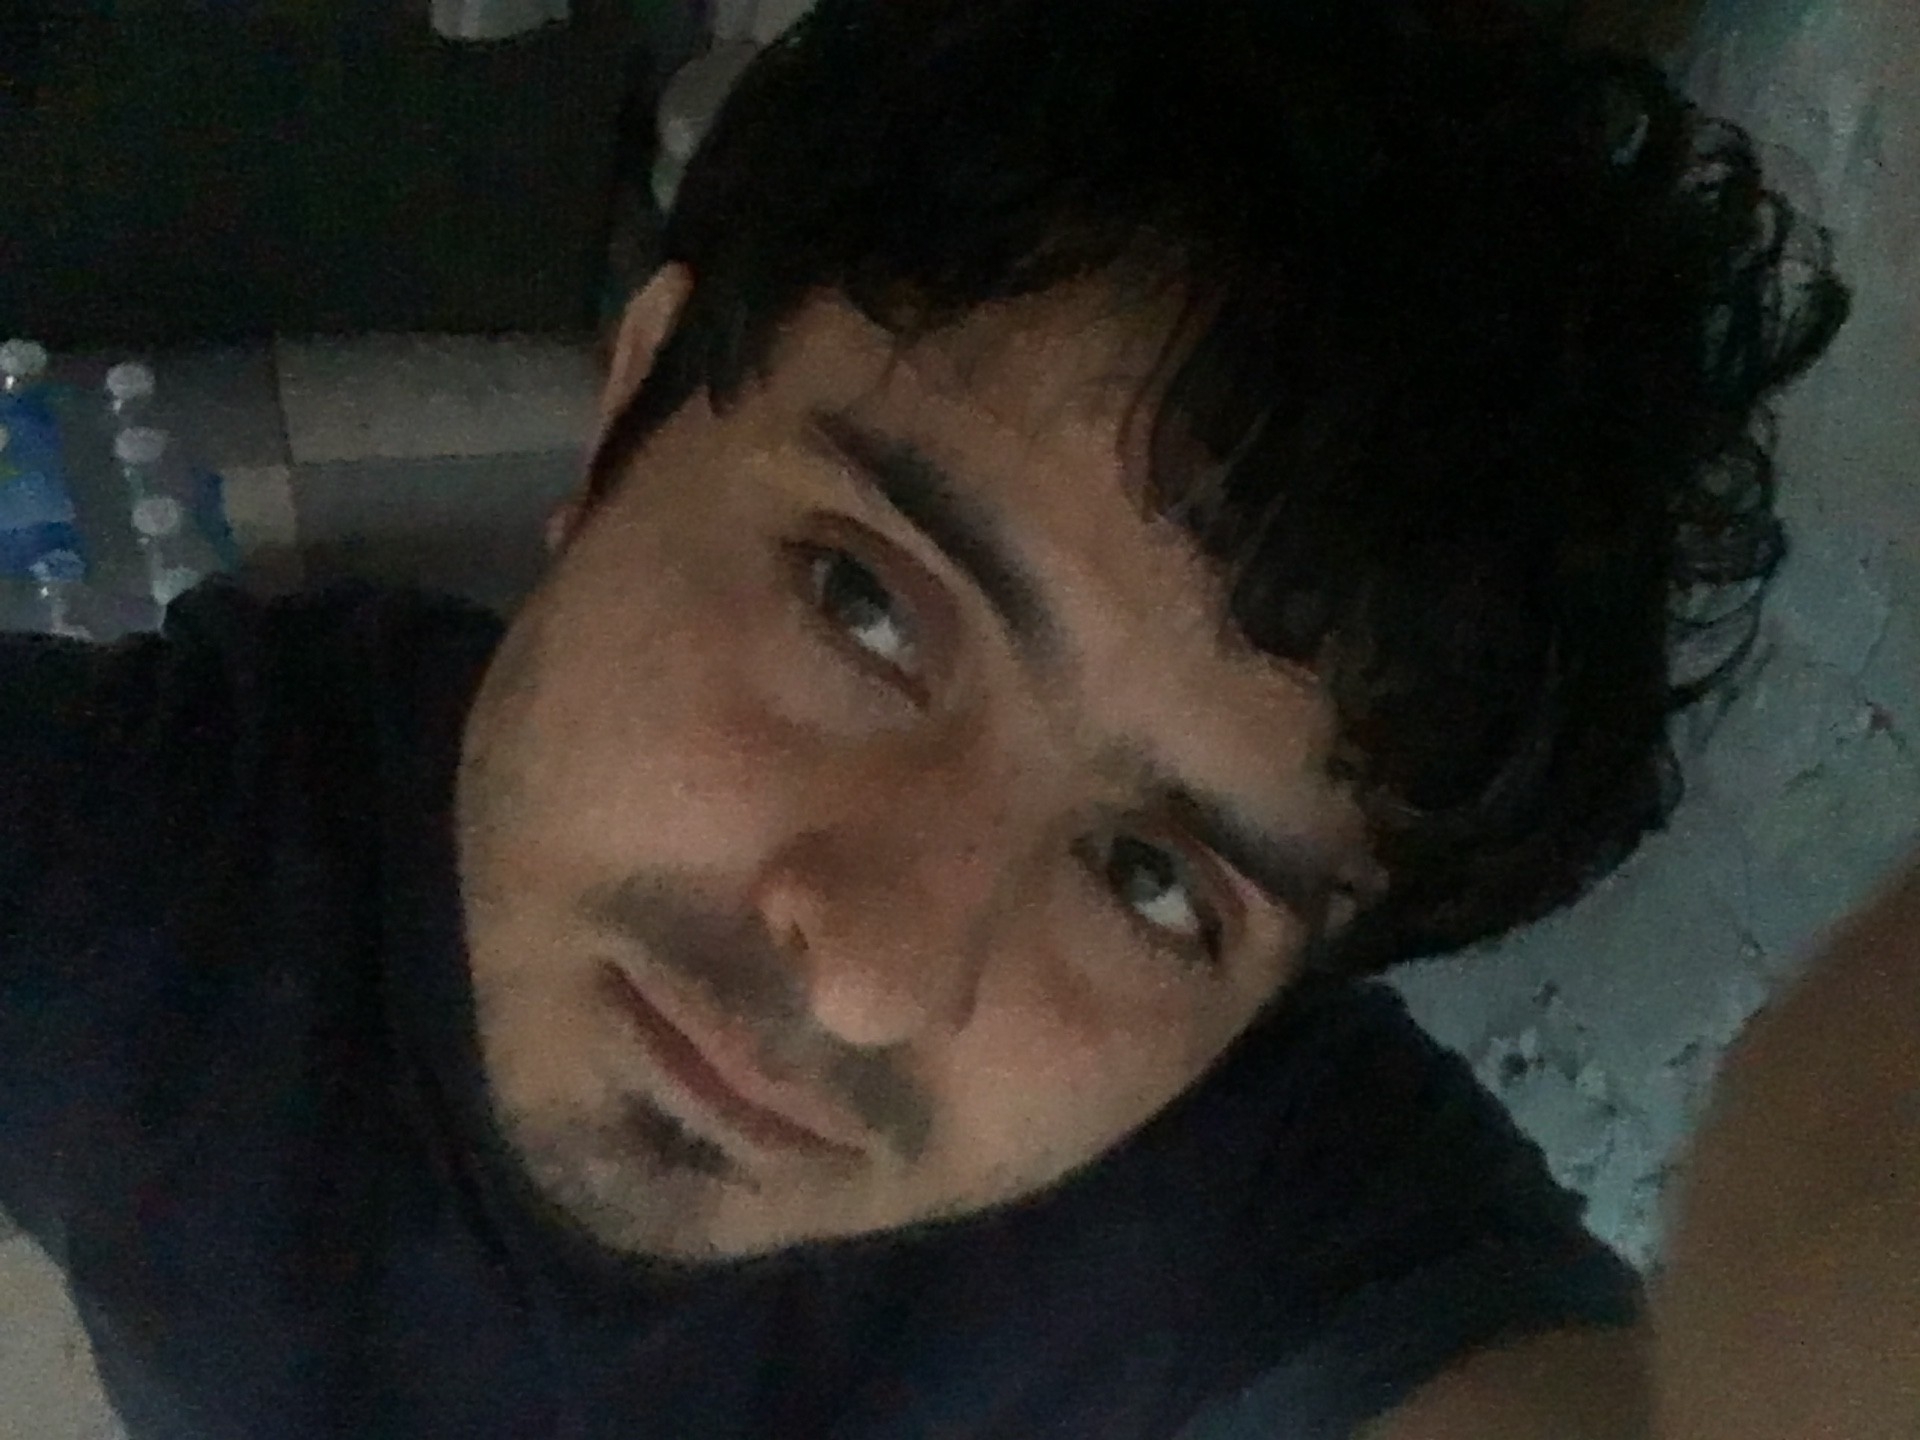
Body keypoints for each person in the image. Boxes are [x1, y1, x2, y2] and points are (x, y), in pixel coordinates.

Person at [0, 0, 1855, 1436]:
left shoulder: (1257, 1221)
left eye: (1151, 880)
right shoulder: (153, 868)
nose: (870, 977)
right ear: (636, 398)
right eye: (866, 604)